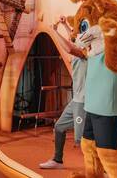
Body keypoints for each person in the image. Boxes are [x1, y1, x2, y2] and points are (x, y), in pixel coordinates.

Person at [39, 16, 87, 170]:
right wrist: (64, 25)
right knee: (59, 127)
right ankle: (57, 160)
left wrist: (53, 32)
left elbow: (70, 47)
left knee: (83, 141)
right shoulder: (77, 50)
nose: (74, 35)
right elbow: (72, 40)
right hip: (76, 101)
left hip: (85, 102)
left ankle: (101, 169)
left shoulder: (85, 51)